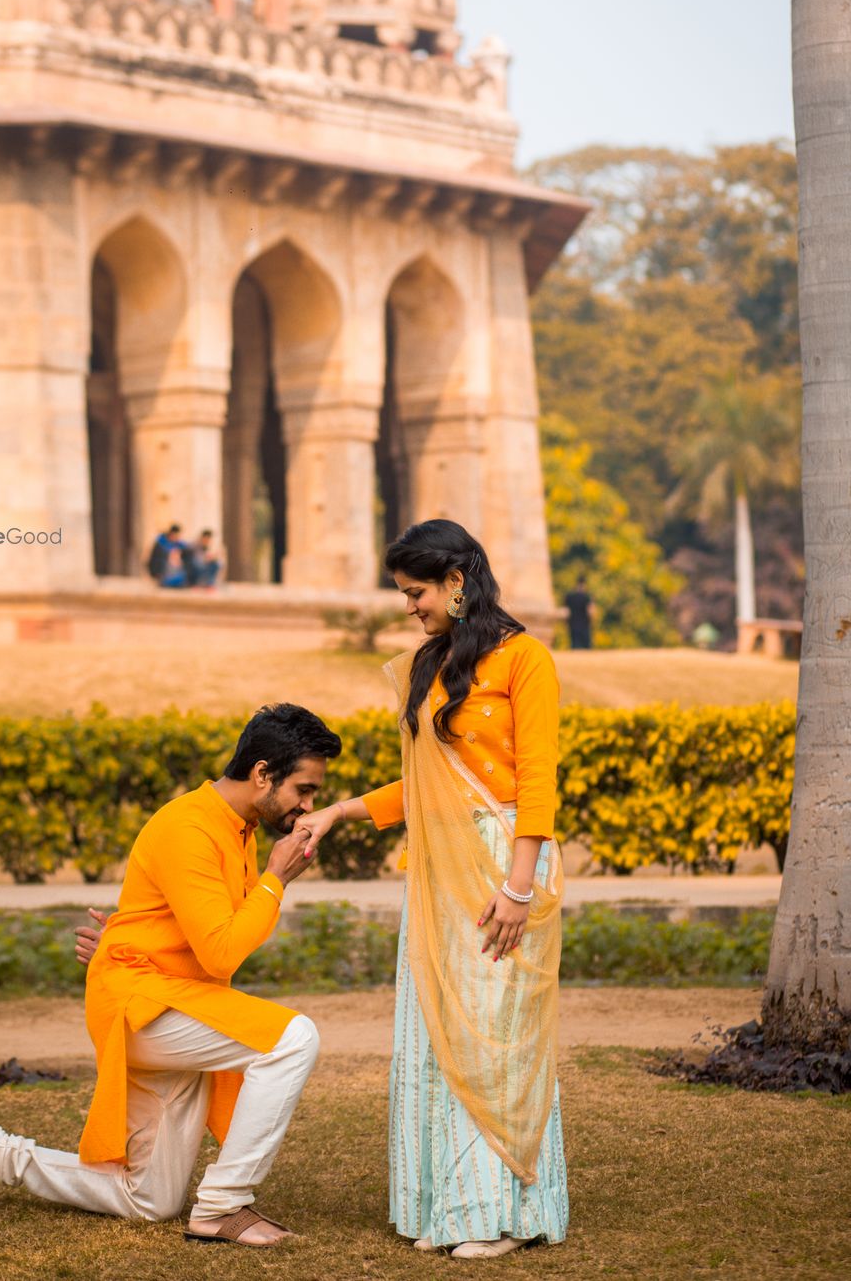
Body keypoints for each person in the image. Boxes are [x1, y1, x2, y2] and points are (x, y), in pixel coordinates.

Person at [0, 704, 343, 1248]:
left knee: (148, 1200)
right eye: (304, 788)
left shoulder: (238, 829)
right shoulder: (189, 826)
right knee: (293, 1038)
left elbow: (205, 933)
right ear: (263, 773)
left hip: (171, 997)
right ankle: (225, 1205)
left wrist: (128, 937)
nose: (308, 806)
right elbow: (223, 951)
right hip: (143, 1007)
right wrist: (275, 880)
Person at [298, 519, 567, 1258]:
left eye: (415, 592)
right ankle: (446, 1205)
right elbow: (428, 785)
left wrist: (518, 889)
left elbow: (536, 781)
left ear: (456, 580)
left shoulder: (524, 660)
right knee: (437, 1030)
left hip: (503, 864)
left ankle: (501, 1212)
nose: (409, 607)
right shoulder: (428, 664)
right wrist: (345, 812)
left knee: (493, 1033)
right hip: (439, 866)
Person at [146, 523, 195, 588]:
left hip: (175, 570)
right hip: (163, 570)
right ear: (171, 534)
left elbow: (188, 549)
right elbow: (155, 560)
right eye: (175, 536)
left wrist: (178, 553)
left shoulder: (178, 543)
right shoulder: (160, 543)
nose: (177, 537)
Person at [564, 574, 594, 649]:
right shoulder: (587, 597)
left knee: (574, 646)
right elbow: (590, 611)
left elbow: (566, 612)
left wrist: (566, 622)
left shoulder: (570, 597)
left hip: (573, 624)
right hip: (584, 625)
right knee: (586, 647)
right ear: (584, 584)